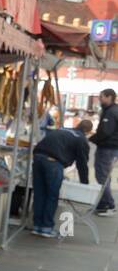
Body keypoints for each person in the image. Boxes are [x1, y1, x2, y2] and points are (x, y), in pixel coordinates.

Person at [32, 118, 92, 237]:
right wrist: (84, 183)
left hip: (38, 157)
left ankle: (37, 226)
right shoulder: (81, 139)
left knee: (39, 194)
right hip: (53, 162)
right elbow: (82, 164)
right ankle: (46, 228)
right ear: (88, 132)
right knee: (51, 196)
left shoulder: (63, 129)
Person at [89, 88, 118, 217]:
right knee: (104, 176)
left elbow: (106, 132)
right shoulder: (110, 110)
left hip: (108, 148)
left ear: (109, 97)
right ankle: (103, 202)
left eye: (101, 97)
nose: (99, 99)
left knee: (102, 176)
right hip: (109, 148)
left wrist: (92, 139)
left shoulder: (111, 112)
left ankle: (108, 204)